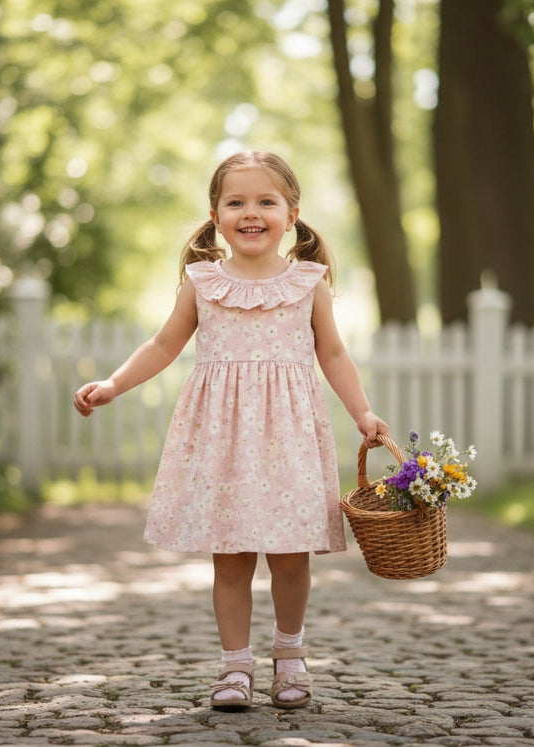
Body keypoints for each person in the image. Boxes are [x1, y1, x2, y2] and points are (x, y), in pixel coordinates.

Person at [73, 150, 388, 710]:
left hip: (288, 440)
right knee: (233, 557)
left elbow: (334, 354)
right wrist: (114, 384)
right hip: (223, 443)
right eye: (235, 202)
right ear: (215, 215)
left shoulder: (307, 283)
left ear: (291, 215)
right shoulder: (202, 282)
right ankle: (234, 668)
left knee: (291, 556)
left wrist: (363, 412)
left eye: (266, 202)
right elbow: (164, 345)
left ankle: (289, 656)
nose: (251, 213)